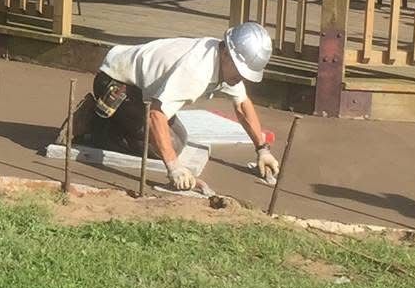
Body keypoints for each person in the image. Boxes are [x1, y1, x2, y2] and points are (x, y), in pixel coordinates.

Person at [71, 22, 279, 194]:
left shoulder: (226, 65)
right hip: (115, 83)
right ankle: (93, 126)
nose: (242, 78)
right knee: (164, 146)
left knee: (180, 138)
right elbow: (155, 115)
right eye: (241, 71)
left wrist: (262, 149)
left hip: (139, 90)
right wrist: (175, 168)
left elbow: (242, 104)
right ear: (226, 53)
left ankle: (113, 122)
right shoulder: (196, 70)